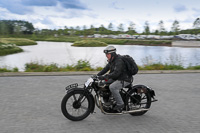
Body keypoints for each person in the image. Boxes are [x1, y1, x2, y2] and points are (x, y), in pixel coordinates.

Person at [97, 46, 132, 112]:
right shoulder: (112, 60)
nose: (106, 56)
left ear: (112, 54)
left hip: (124, 79)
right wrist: (97, 75)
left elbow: (116, 73)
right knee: (103, 83)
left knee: (112, 87)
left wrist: (105, 77)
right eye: (106, 54)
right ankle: (108, 101)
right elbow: (105, 69)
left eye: (108, 54)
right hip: (117, 78)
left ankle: (120, 104)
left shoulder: (119, 61)